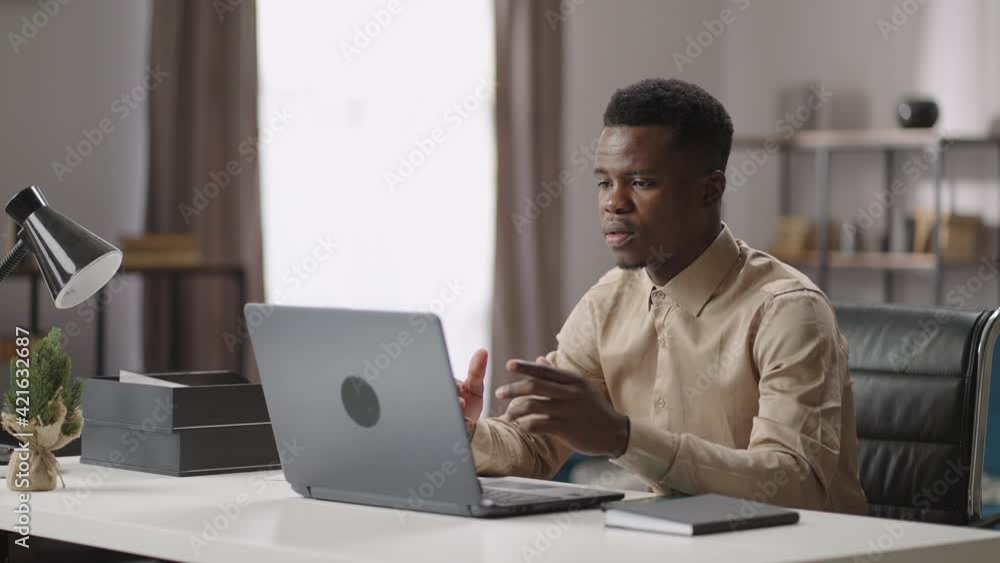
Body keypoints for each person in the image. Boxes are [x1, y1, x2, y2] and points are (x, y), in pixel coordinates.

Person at [456, 78, 867, 514]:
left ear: (709, 190)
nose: (614, 203)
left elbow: (792, 485)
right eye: (603, 183)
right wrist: (465, 434)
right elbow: (534, 447)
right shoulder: (608, 301)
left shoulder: (788, 311)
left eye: (641, 182)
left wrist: (622, 437)